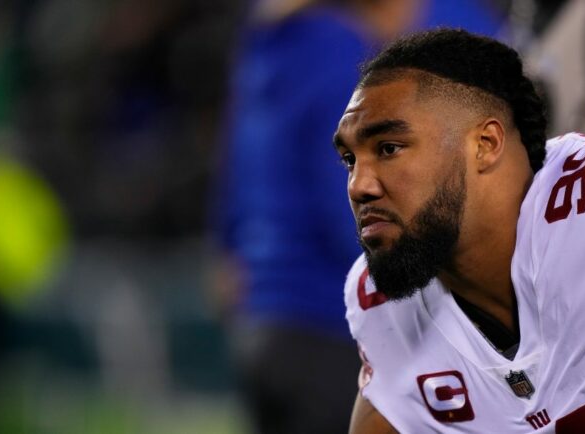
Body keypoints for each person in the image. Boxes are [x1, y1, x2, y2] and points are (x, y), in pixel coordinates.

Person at [333, 29, 585, 433]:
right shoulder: (383, 306)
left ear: (486, 143)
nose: (358, 185)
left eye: (388, 148)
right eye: (350, 159)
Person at [215, 3, 506, 433]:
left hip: (263, 323)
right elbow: (349, 204)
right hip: (328, 324)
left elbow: (234, 181)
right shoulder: (337, 49)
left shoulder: (264, 49)